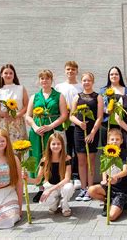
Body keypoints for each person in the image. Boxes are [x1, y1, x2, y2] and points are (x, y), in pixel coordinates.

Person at [25, 69, 67, 202]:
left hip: (52, 131)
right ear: (39, 81)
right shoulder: (34, 97)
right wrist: (35, 127)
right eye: (42, 78)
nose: (45, 81)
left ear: (51, 80)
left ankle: (53, 187)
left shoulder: (59, 96)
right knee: (38, 157)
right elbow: (28, 116)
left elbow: (64, 115)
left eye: (47, 78)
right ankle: (40, 188)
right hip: (37, 132)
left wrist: (50, 126)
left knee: (52, 157)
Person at [70, 72, 103, 201]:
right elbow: (71, 115)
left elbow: (100, 117)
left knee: (91, 161)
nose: (86, 82)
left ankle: (90, 188)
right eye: (84, 80)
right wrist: (79, 123)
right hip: (79, 131)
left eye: (89, 80)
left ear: (92, 82)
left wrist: (92, 133)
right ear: (81, 82)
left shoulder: (97, 97)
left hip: (92, 132)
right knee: (81, 161)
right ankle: (83, 188)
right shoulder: (76, 97)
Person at [24, 133, 75, 216]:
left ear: (62, 145)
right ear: (49, 145)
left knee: (69, 187)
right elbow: (38, 180)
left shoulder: (66, 158)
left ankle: (64, 204)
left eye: (58, 144)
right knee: (43, 201)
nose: (56, 146)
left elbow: (67, 179)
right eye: (53, 144)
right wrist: (27, 178)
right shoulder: (44, 160)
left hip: (62, 186)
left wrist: (49, 191)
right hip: (51, 186)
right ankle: (54, 203)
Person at [88, 129, 127, 221]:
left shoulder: (125, 153)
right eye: (112, 139)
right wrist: (104, 179)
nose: (114, 141)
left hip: (121, 191)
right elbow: (104, 168)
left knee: (111, 217)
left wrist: (115, 177)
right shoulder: (106, 153)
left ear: (122, 141)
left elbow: (125, 171)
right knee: (91, 190)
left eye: (117, 139)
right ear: (108, 141)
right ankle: (108, 201)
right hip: (108, 188)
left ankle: (123, 203)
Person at [55, 61, 83, 189]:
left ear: (77, 71)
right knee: (65, 150)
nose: (70, 71)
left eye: (73, 69)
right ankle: (65, 175)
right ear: (65, 71)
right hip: (62, 123)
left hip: (76, 123)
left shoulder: (81, 87)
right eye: (68, 69)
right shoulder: (59, 87)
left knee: (77, 150)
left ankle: (76, 175)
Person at [0, 64, 29, 143]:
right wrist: (5, 114)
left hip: (18, 122)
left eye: (11, 73)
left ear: (14, 75)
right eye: (6, 73)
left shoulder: (21, 88)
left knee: (19, 148)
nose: (8, 75)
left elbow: (26, 105)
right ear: (1, 75)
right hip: (4, 123)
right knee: (4, 147)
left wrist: (17, 114)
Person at [99, 66, 127, 146]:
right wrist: (107, 110)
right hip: (106, 123)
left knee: (121, 148)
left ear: (120, 76)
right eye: (111, 74)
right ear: (109, 76)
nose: (114, 76)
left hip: (121, 124)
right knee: (106, 147)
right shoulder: (103, 90)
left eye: (116, 74)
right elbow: (99, 106)